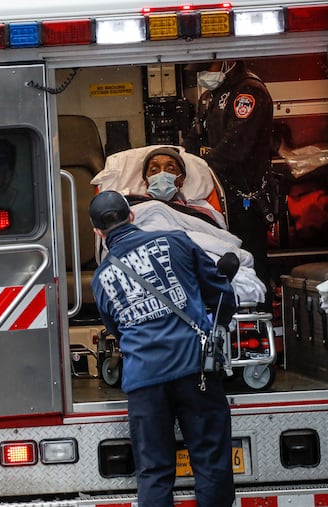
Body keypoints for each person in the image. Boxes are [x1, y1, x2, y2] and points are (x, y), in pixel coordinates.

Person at [89, 191, 237, 507]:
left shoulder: (101, 278)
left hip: (145, 381)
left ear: (98, 232)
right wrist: (216, 329)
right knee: (211, 465)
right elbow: (221, 293)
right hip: (195, 369)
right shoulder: (176, 241)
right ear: (131, 216)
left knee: (154, 473)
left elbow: (116, 329)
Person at [182, 60, 274, 310]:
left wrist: (200, 166)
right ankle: (226, 320)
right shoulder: (210, 96)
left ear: (226, 62)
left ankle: (259, 321)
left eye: (207, 68)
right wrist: (183, 163)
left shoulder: (248, 91)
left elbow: (235, 148)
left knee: (251, 261)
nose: (202, 75)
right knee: (219, 261)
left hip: (245, 198)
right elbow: (193, 138)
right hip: (216, 197)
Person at [132, 146, 225, 227]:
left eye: (171, 169)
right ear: (146, 181)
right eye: (154, 170)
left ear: (181, 180)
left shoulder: (200, 214)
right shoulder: (131, 209)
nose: (162, 174)